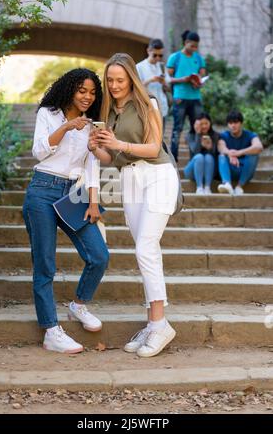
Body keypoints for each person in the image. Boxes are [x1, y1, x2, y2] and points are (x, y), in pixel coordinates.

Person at [88, 53, 178, 358]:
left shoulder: (148, 103)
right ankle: (154, 325)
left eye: (120, 80)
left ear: (131, 79)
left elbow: (153, 147)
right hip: (129, 181)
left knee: (146, 248)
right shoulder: (110, 110)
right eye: (110, 80)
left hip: (157, 177)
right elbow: (111, 159)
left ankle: (160, 323)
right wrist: (97, 147)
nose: (113, 85)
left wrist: (119, 144)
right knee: (143, 249)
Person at [22, 68, 109, 354]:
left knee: (99, 255)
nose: (87, 96)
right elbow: (39, 151)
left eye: (92, 92)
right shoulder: (49, 113)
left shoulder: (91, 125)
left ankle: (78, 305)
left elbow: (92, 164)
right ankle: (51, 330)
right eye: (82, 90)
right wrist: (66, 128)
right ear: (70, 89)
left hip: (74, 193)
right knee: (45, 264)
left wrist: (94, 202)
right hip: (42, 190)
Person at [166, 30, 206, 162]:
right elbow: (167, 78)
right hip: (180, 97)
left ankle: (196, 157)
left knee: (197, 128)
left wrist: (198, 83)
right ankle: (173, 158)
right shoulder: (175, 57)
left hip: (195, 98)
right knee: (178, 128)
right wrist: (183, 79)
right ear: (186, 43)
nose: (194, 49)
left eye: (196, 46)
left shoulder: (198, 58)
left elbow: (202, 75)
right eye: (192, 46)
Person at [217, 110, 263, 195]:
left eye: (236, 122)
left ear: (241, 123)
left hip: (245, 171)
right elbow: (221, 147)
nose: (233, 125)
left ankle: (239, 186)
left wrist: (239, 153)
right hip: (230, 169)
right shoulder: (224, 135)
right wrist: (230, 154)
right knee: (222, 156)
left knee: (253, 155)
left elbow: (259, 147)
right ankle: (227, 184)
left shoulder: (250, 135)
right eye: (230, 123)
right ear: (227, 124)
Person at [136, 38, 171, 128]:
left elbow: (168, 88)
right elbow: (136, 88)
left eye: (160, 56)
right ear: (148, 51)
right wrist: (150, 80)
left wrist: (164, 83)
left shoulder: (162, 66)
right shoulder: (139, 67)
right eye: (155, 55)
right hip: (147, 107)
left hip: (162, 107)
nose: (158, 58)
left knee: (161, 138)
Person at [184, 113, 219, 195]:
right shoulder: (190, 135)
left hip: (209, 172)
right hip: (192, 171)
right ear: (195, 124)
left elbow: (215, 158)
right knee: (199, 157)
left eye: (206, 123)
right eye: (201, 124)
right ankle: (199, 187)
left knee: (208, 157)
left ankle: (207, 187)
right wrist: (198, 134)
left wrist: (210, 147)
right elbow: (195, 151)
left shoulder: (215, 135)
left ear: (210, 123)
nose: (204, 126)